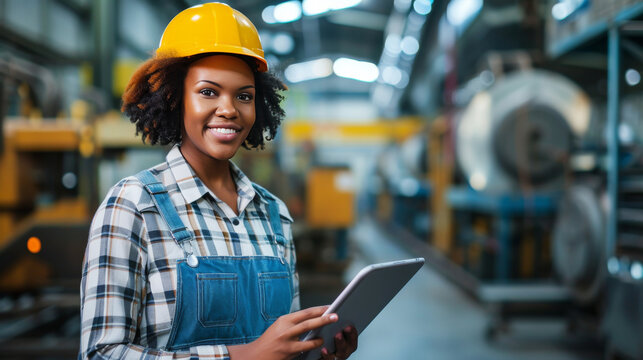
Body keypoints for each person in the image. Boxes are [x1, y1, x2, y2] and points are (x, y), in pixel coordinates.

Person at [79, 3, 358, 359]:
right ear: (173, 97)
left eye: (244, 96)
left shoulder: (274, 214)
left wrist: (315, 354)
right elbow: (100, 353)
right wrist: (241, 357)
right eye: (209, 92)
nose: (229, 109)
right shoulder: (133, 205)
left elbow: (283, 347)